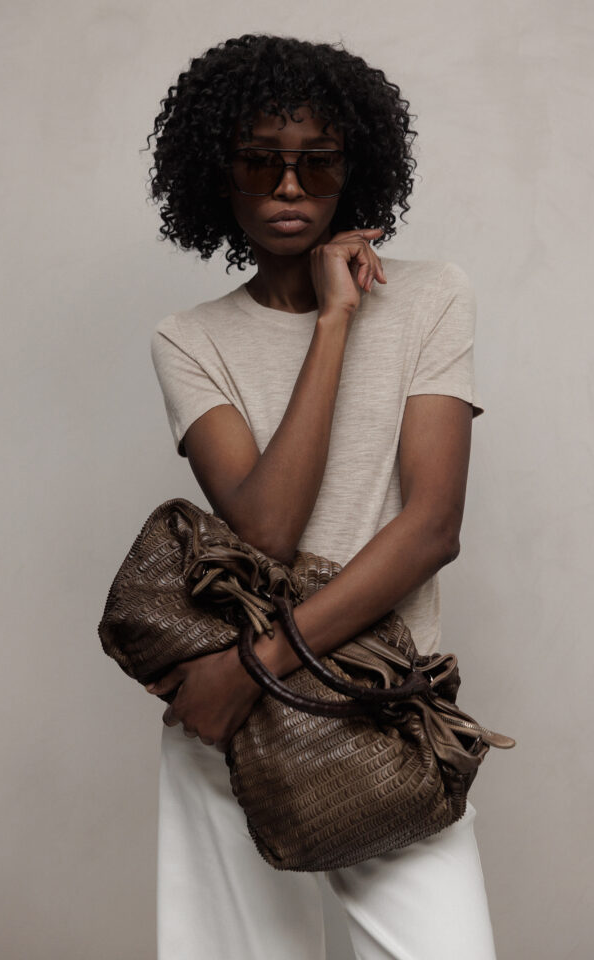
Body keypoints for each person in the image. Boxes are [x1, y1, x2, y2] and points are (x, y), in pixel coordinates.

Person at [144, 32, 495, 960]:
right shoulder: (189, 339)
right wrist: (333, 321)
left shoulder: (431, 298)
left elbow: (432, 528)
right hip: (233, 726)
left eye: (318, 163)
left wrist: (255, 664)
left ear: (354, 171)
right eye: (261, 161)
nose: (290, 187)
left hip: (374, 711)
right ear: (218, 173)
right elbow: (266, 528)